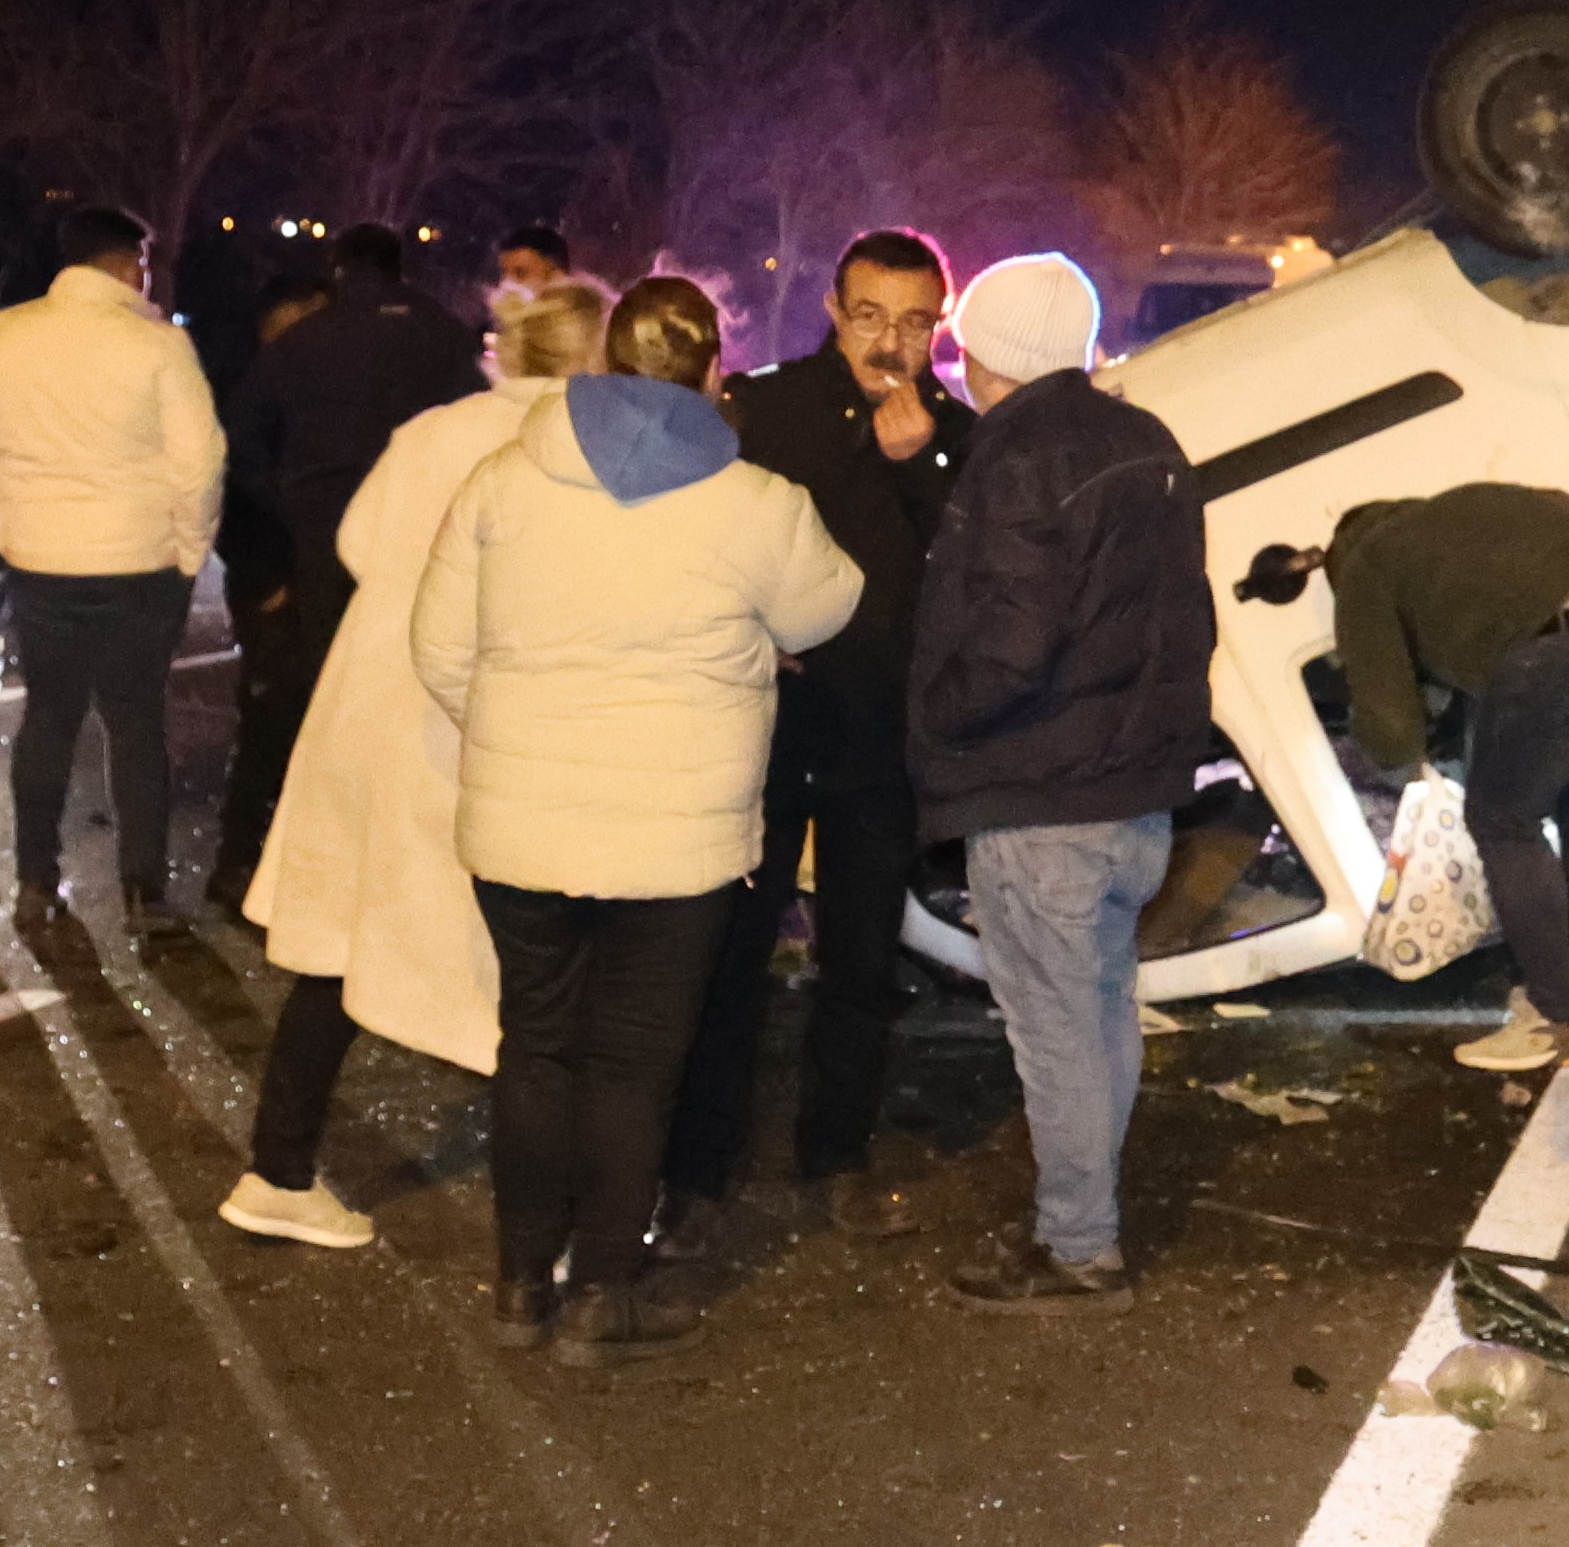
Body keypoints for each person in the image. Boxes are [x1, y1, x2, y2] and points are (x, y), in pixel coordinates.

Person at [408, 274, 862, 1363]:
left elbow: (437, 653)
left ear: (604, 365)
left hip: (522, 830)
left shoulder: (504, 483)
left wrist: (521, 734)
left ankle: (520, 1283)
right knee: (632, 1064)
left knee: (538, 1046)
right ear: (714, 372)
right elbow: (830, 606)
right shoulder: (759, 503)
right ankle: (604, 1289)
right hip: (680, 840)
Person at [227, 278, 612, 1250]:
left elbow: (357, 540)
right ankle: (563, 1220)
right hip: (470, 730)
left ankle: (278, 1168)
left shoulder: (435, 430)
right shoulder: (585, 450)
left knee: (344, 948)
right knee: (536, 963)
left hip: (365, 710)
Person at [901, 251, 1212, 1307]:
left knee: (1053, 1033)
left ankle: (1080, 1245)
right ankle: (1090, 1217)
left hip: (1042, 795)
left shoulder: (1019, 454)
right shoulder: (1145, 438)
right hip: (1134, 790)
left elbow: (1011, 638)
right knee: (1103, 1012)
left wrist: (933, 718)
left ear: (987, 352)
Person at [668, 227, 974, 1243]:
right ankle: (702, 1165)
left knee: (860, 958)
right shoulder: (763, 408)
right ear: (836, 311)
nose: (891, 339)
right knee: (735, 947)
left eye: (915, 319)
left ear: (940, 324)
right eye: (871, 313)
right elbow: (704, 542)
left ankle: (834, 1153)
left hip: (882, 732)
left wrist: (920, 457)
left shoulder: (952, 432)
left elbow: (972, 564)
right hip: (767, 720)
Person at [1267, 480, 1569, 1074]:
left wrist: (1378, 747)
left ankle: (1558, 1020)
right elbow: (1487, 644)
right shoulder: (1457, 522)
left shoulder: (1368, 563)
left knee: (1502, 822)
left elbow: (1393, 733)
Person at [0, 199, 231, 933]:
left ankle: (37, 881)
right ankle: (145, 891)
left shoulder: (0, 336)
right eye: (142, 262)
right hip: (141, 563)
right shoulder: (159, 345)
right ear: (125, 262)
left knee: (49, 718)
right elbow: (199, 461)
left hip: (41, 560)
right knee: (135, 724)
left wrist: (9, 530)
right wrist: (189, 546)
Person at [212, 224, 491, 919]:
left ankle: (295, 864)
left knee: (316, 703)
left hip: (323, 541)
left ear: (338, 270)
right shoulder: (447, 336)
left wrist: (287, 501)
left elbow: (238, 438)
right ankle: (401, 870)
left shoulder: (307, 340)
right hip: (426, 544)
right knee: (412, 704)